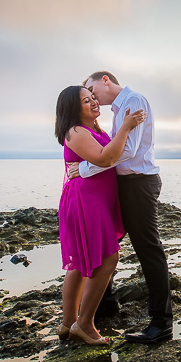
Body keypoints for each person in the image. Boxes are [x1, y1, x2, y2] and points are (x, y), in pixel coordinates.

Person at [67, 71, 172, 344]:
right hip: (124, 185)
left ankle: (162, 323)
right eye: (86, 96)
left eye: (92, 90)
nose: (93, 98)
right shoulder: (116, 112)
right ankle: (104, 307)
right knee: (105, 246)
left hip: (139, 184)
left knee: (149, 249)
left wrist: (85, 169)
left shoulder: (133, 101)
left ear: (105, 80)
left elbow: (127, 151)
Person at [55, 85, 145, 345]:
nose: (94, 102)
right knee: (107, 258)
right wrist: (126, 127)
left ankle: (67, 323)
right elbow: (106, 158)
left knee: (80, 262)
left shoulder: (94, 129)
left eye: (93, 97)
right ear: (73, 108)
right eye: (86, 100)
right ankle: (84, 325)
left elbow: (109, 158)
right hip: (86, 200)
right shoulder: (75, 131)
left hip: (94, 199)